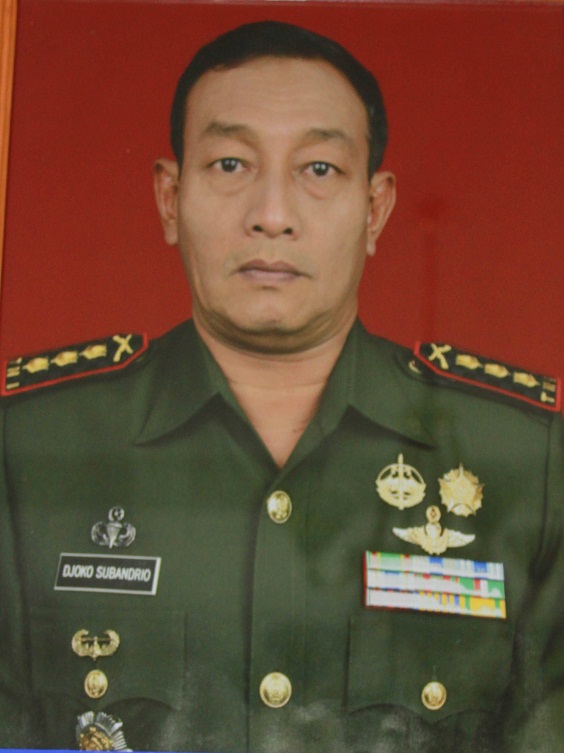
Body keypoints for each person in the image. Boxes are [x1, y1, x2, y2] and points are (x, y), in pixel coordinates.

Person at [0, 20, 562, 753]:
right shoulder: (30, 448)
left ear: (375, 209)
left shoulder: (526, 461)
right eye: (230, 163)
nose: (271, 215)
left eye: (319, 169)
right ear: (170, 198)